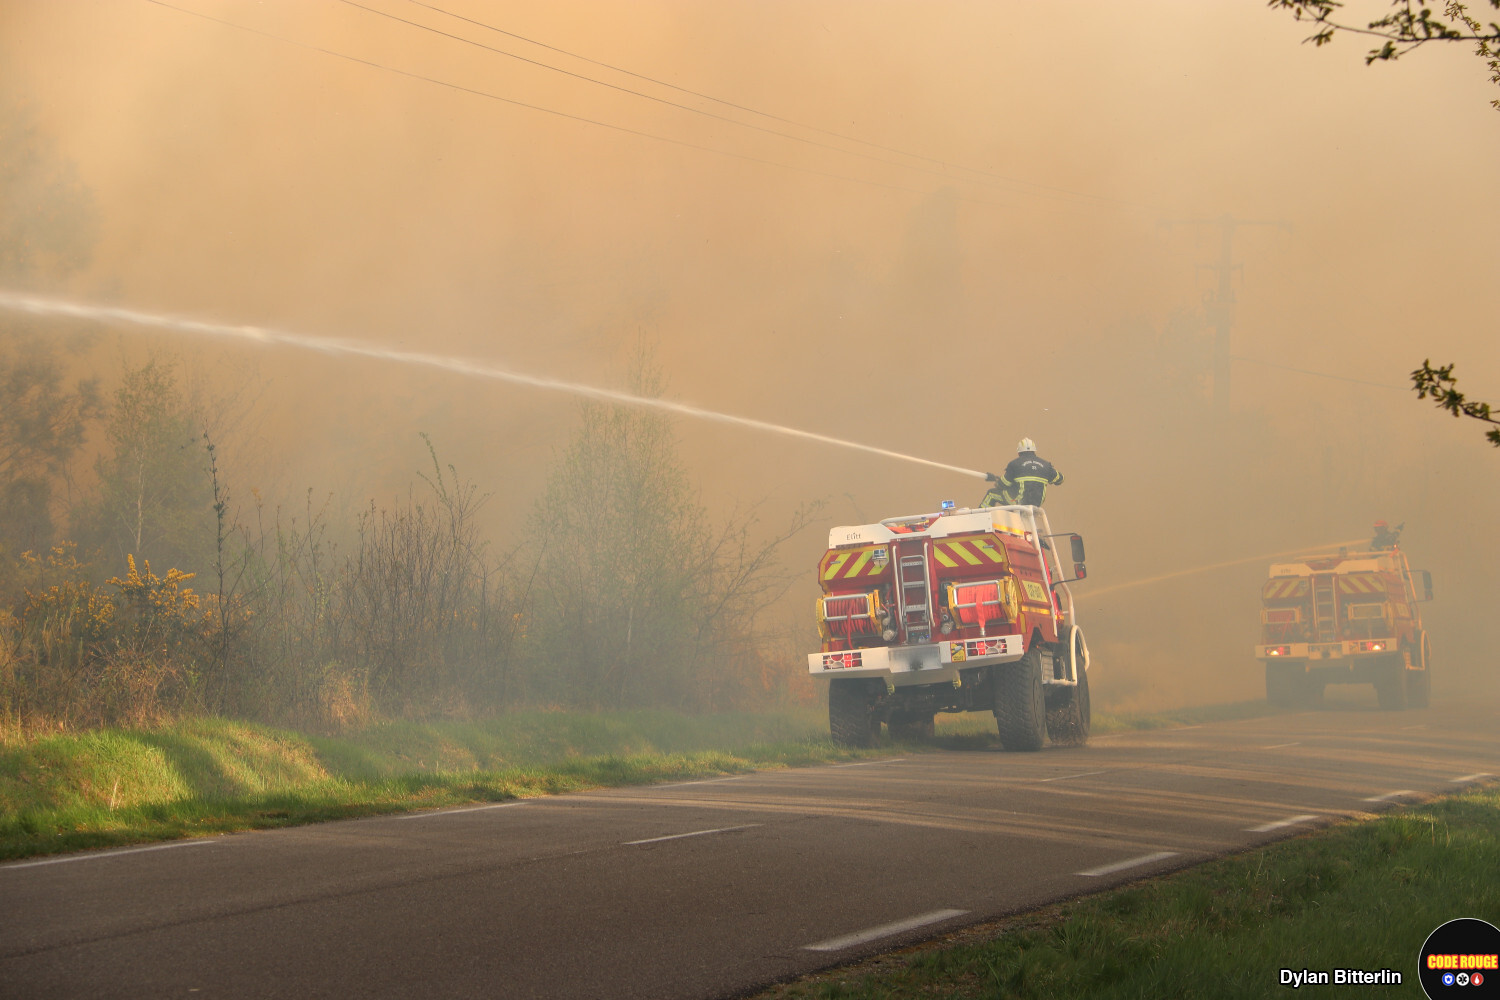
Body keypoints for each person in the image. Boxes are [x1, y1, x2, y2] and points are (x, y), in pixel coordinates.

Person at [981, 438, 1064, 507]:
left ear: (1019, 452)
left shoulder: (1014, 464)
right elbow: (1060, 479)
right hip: (1036, 504)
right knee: (1010, 494)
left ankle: (980, 518)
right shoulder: (1046, 465)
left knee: (991, 494)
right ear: (1034, 451)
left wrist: (998, 481)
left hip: (1019, 501)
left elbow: (1003, 485)